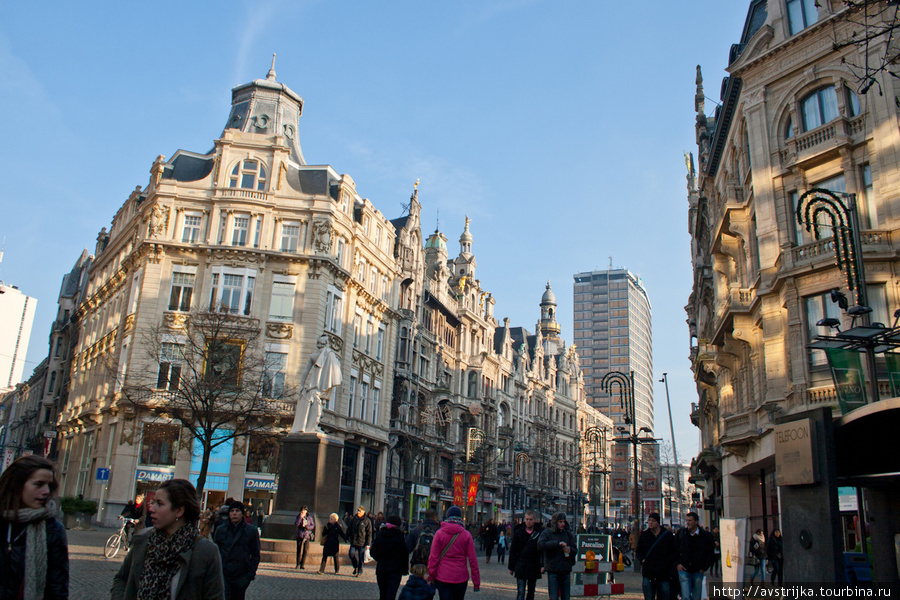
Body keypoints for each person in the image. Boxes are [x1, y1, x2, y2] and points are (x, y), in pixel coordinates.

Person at [111, 478, 225, 600]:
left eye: (159, 503)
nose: (151, 509)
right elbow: (121, 579)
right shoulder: (143, 540)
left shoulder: (205, 551)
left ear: (179, 511)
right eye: (153, 502)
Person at [0, 455, 69, 600]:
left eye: (49, 486)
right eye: (38, 484)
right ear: (16, 485)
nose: (46, 491)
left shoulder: (52, 530)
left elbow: (57, 587)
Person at [291, 334, 343, 434]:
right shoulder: (330, 354)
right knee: (317, 409)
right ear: (326, 344)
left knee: (314, 408)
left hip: (312, 386)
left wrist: (302, 384)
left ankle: (312, 426)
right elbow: (336, 370)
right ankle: (313, 426)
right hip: (317, 388)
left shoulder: (314, 356)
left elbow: (305, 371)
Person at [428, 505, 480, 600]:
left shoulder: (439, 534)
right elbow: (473, 560)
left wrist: (430, 576)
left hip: (443, 576)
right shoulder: (466, 535)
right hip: (461, 577)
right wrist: (476, 582)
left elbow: (433, 557)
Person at [213, 501, 260, 600]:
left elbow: (255, 554)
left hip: (241, 575)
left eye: (237, 511)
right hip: (224, 574)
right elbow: (215, 552)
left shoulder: (251, 531)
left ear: (242, 514)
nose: (234, 513)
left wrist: (250, 575)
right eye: (232, 511)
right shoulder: (221, 530)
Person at [635, 512, 679, 600]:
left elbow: (674, 552)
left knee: (665, 596)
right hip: (649, 572)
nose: (650, 523)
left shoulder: (667, 535)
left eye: (653, 521)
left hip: (664, 573)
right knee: (649, 596)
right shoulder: (645, 535)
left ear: (658, 522)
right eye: (649, 521)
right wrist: (643, 560)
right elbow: (639, 551)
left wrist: (669, 563)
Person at [674, 512, 715, 600]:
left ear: (696, 522)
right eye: (687, 520)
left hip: (698, 570)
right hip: (684, 569)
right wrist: (678, 564)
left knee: (696, 596)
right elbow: (674, 549)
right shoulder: (681, 534)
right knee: (686, 596)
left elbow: (710, 553)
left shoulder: (705, 536)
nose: (688, 523)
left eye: (690, 520)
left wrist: (704, 567)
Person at [538, 512, 577, 600]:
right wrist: (556, 544)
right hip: (553, 569)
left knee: (566, 597)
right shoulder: (547, 532)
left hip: (565, 569)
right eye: (560, 522)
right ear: (555, 522)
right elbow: (540, 544)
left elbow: (575, 549)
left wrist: (570, 550)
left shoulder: (567, 533)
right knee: (554, 597)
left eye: (564, 521)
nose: (563, 524)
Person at [371, 515, 409, 600]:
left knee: (382, 594)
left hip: (382, 569)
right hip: (395, 571)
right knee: (391, 595)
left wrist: (380, 559)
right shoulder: (399, 536)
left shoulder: (381, 534)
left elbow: (373, 551)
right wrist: (404, 569)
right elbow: (404, 554)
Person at [508, 510, 544, 600]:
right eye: (527, 519)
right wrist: (511, 567)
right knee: (521, 592)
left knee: (531, 592)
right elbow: (513, 550)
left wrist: (543, 565)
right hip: (521, 565)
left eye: (531, 519)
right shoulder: (519, 532)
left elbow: (542, 551)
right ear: (524, 520)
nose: (529, 521)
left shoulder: (539, 533)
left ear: (534, 520)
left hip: (534, 565)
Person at [347, 505, 373, 577]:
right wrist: (347, 537)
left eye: (359, 511)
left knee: (361, 558)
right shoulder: (354, 519)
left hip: (362, 542)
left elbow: (369, 533)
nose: (358, 512)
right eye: (358, 510)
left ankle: (360, 571)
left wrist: (368, 544)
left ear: (363, 512)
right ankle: (355, 566)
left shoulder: (367, 521)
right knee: (351, 554)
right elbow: (349, 528)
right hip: (354, 541)